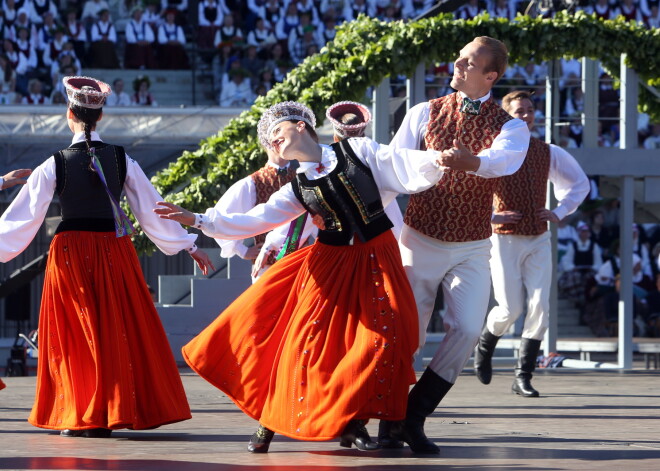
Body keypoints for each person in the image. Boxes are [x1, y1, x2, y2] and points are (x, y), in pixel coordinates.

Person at [154, 101, 454, 453]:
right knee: (305, 343)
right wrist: (200, 220)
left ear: (300, 126)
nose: (272, 140)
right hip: (331, 265)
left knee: (387, 339)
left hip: (377, 256)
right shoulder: (298, 186)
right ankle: (269, 422)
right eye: (269, 138)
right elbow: (256, 220)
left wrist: (435, 159)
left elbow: (398, 163)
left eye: (277, 132)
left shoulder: (356, 149)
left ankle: (358, 423)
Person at [0, 76, 215, 437]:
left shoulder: (54, 163)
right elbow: (151, 209)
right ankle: (113, 408)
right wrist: (189, 245)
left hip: (70, 252)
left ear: (70, 115)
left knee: (76, 333)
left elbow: (23, 219)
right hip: (113, 249)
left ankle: (83, 413)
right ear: (99, 118)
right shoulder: (121, 158)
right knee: (116, 330)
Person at [383, 36, 530, 454]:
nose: (457, 65)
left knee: (466, 329)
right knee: (405, 336)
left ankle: (414, 415)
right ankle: (390, 419)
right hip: (419, 239)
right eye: (460, 59)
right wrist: (385, 229)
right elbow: (391, 170)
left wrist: (475, 163)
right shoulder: (422, 112)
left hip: (471, 245)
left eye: (469, 63)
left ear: (491, 76)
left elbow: (505, 160)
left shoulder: (511, 126)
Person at [473, 90, 590, 397]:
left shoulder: (546, 151)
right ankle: (485, 346)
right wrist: (492, 217)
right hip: (504, 240)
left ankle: (523, 375)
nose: (524, 115)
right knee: (510, 308)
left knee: (540, 305)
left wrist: (560, 210)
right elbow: (469, 189)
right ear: (506, 116)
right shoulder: (492, 151)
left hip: (538, 236)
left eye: (528, 110)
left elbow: (579, 183)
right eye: (517, 111)